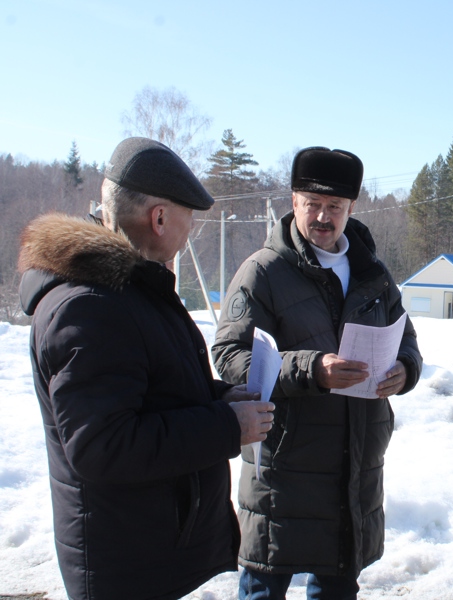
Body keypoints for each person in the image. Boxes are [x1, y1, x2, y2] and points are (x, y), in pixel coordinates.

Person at [17, 137, 276, 600]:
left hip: (145, 547)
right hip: (125, 564)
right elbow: (103, 445)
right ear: (159, 218)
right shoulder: (90, 307)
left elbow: (155, 389)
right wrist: (223, 426)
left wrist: (219, 399)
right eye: (187, 219)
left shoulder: (126, 291)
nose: (188, 231)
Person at [212, 146, 422, 600]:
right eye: (313, 205)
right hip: (284, 471)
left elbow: (406, 336)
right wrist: (311, 369)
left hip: (354, 467)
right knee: (264, 587)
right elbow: (229, 356)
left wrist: (405, 370)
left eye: (335, 207)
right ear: (294, 203)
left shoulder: (373, 273)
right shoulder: (262, 272)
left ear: (350, 209)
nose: (323, 217)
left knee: (337, 589)